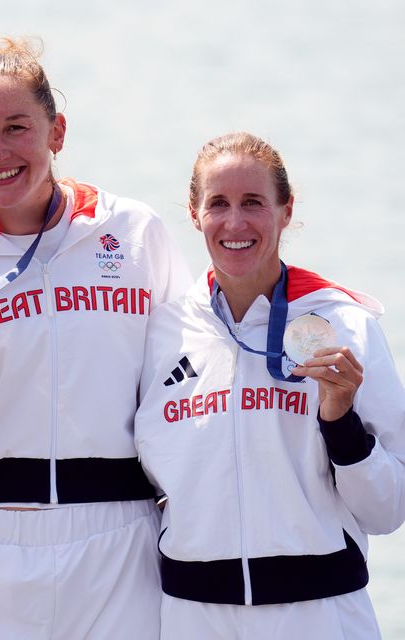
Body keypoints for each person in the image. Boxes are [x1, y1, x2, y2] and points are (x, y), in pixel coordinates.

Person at [0, 39, 191, 639]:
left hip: (120, 546)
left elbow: (182, 379)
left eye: (17, 128)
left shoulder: (132, 234)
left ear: (57, 131)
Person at [134, 131, 405, 639]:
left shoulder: (345, 325)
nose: (235, 223)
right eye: (218, 204)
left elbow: (388, 509)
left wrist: (341, 422)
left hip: (320, 612)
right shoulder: (159, 333)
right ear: (195, 214)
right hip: (194, 615)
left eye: (254, 203)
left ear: (285, 210)